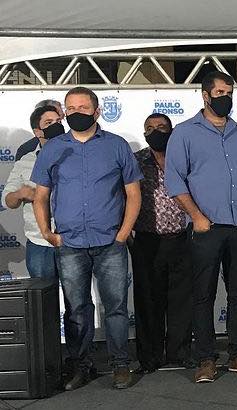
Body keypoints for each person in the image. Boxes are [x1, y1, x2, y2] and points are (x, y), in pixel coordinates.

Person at [30, 87, 142, 390]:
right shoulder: (54, 148)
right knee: (76, 309)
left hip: (110, 243)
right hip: (70, 244)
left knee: (116, 308)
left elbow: (133, 194)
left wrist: (123, 233)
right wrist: (47, 232)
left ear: (97, 111)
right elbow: (41, 196)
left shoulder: (116, 145)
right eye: (70, 108)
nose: (76, 112)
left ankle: (120, 364)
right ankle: (81, 365)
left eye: (82, 107)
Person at [165, 71, 237, 383]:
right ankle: (206, 358)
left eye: (229, 92)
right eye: (220, 92)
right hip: (205, 228)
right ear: (205, 95)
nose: (225, 97)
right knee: (203, 295)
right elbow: (175, 181)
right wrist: (196, 216)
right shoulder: (184, 133)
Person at [130, 113, 194, 374]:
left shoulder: (183, 158)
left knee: (182, 299)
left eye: (161, 127)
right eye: (149, 128)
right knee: (148, 299)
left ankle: (180, 352)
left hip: (181, 237)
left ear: (172, 130)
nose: (155, 131)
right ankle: (150, 356)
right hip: (147, 239)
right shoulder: (136, 161)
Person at [2, 105, 65, 278]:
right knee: (42, 294)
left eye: (59, 121)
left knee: (76, 294)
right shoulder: (25, 161)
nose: (56, 126)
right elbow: (7, 200)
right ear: (37, 132)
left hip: (72, 241)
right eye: (49, 123)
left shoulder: (76, 155)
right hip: (39, 242)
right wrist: (20, 194)